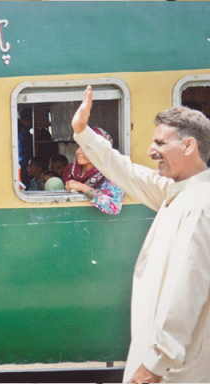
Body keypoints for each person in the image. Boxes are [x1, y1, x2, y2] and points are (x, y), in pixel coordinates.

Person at [72, 85, 210, 383]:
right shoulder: (176, 191)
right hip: (165, 364)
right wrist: (83, 133)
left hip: (173, 371)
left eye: (159, 143)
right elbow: (126, 171)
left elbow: (185, 290)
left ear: (188, 146)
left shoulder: (199, 205)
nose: (150, 151)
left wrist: (154, 365)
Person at [62, 127, 124, 215]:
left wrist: (83, 188)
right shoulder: (69, 171)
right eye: (78, 146)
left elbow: (114, 207)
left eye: (85, 148)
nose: (78, 152)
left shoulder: (112, 174)